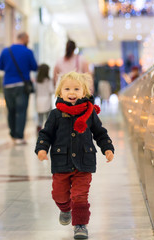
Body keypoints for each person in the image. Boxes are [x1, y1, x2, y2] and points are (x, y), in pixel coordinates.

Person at [35, 71, 114, 239]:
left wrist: (107, 148)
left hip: (84, 162)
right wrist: (42, 148)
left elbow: (100, 133)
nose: (72, 93)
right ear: (59, 93)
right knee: (58, 194)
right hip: (61, 162)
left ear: (84, 93)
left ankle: (80, 225)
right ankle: (65, 209)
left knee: (79, 196)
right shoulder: (55, 115)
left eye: (76, 89)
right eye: (67, 89)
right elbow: (45, 134)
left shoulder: (89, 113)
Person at [0, 32, 38, 145]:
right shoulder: (28, 52)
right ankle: (19, 137)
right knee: (21, 111)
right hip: (21, 85)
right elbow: (34, 67)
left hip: (8, 86)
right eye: (28, 38)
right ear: (24, 39)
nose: (28, 41)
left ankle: (13, 134)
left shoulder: (6, 51)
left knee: (11, 110)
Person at [35, 63, 54, 132]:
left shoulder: (37, 80)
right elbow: (51, 90)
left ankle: (39, 128)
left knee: (40, 117)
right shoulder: (48, 80)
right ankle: (48, 129)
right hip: (47, 100)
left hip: (38, 100)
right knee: (48, 117)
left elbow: (35, 90)